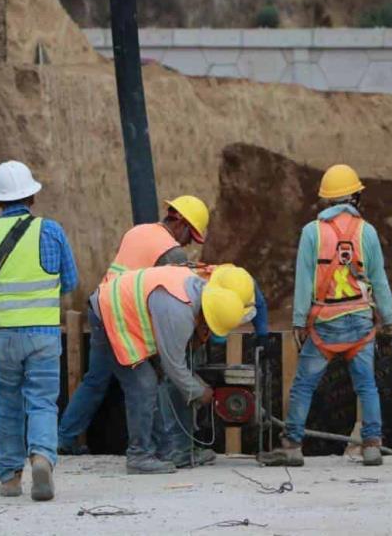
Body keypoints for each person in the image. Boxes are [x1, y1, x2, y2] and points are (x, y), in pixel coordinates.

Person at [0, 160, 78, 501]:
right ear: (32, 197)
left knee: (8, 403)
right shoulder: (51, 230)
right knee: (41, 401)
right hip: (43, 333)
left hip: (5, 336)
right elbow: (70, 281)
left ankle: (10, 478)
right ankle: (41, 457)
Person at [265, 164, 392, 467]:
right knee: (366, 386)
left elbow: (303, 280)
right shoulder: (368, 232)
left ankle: (293, 445)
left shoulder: (312, 232)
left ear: (327, 201)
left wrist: (299, 321)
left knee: (303, 386)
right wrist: (387, 319)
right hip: (361, 323)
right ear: (354, 198)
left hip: (325, 325)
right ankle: (373, 445)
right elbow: (379, 280)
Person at [57, 195, 209, 455]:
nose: (188, 244)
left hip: (103, 306)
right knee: (150, 381)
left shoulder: (140, 230)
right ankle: (163, 448)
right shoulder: (172, 252)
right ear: (182, 224)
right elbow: (174, 292)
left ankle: (65, 438)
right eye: (190, 237)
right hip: (122, 319)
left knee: (96, 380)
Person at [89, 264, 255, 474]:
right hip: (109, 314)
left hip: (125, 311)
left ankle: (168, 452)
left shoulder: (199, 290)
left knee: (154, 381)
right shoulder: (179, 311)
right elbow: (173, 366)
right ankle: (139, 455)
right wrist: (199, 392)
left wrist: (193, 383)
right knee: (144, 384)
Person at [154, 264, 268, 468]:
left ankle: (185, 446)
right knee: (175, 384)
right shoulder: (196, 288)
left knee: (186, 383)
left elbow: (258, 303)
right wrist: (197, 389)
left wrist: (262, 335)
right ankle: (174, 448)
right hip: (177, 331)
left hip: (194, 329)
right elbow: (175, 364)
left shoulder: (243, 284)